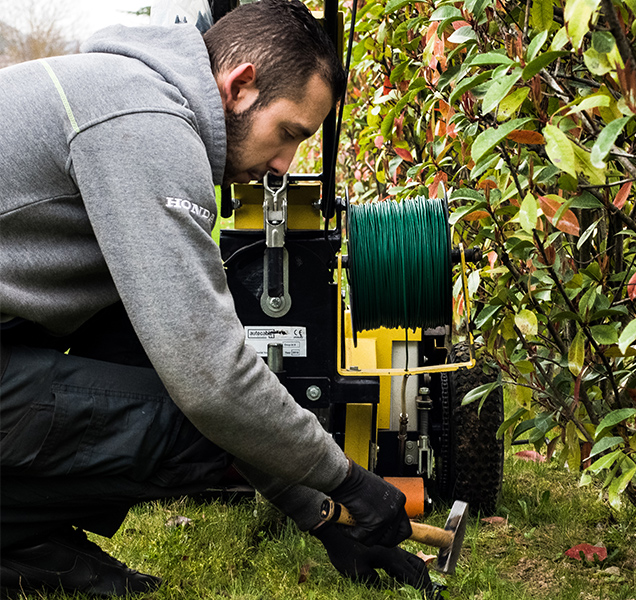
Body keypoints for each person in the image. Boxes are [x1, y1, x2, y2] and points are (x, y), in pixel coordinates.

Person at [0, 0, 433, 596]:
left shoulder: (124, 93)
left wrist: (324, 517)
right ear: (241, 85)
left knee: (142, 348)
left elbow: (189, 359)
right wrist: (348, 482)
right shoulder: (146, 121)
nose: (285, 165)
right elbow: (213, 385)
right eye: (288, 134)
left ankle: (23, 542)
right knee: (195, 427)